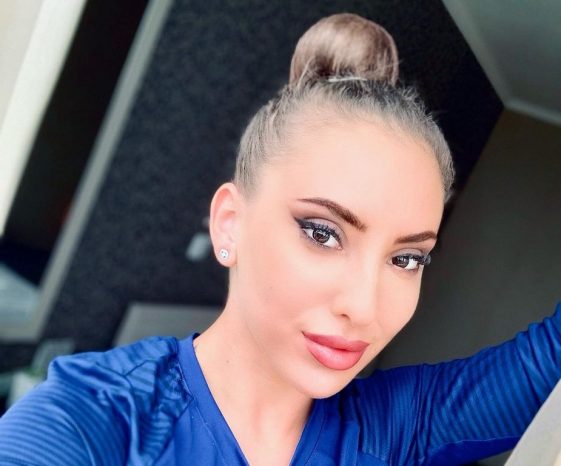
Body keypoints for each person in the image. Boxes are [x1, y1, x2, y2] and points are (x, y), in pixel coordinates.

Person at [0, 12, 559, 466]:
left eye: (407, 258)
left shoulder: (393, 431)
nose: (364, 308)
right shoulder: (93, 421)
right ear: (230, 223)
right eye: (323, 233)